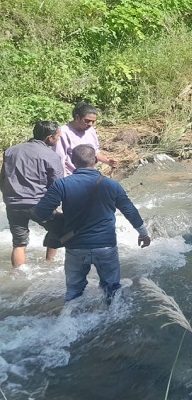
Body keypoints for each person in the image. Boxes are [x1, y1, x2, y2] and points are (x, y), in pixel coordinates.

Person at [33, 144, 151, 303]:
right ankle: (113, 323)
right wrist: (143, 233)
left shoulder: (61, 184)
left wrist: (59, 217)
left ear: (72, 161)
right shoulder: (111, 184)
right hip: (105, 246)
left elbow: (40, 212)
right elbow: (130, 211)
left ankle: (69, 323)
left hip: (75, 247)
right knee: (112, 290)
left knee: (74, 290)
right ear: (96, 160)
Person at [1, 121, 64, 267]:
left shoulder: (11, 151)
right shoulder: (50, 155)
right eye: (58, 137)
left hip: (13, 204)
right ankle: (49, 263)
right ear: (50, 138)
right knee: (60, 226)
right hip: (38, 204)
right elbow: (58, 184)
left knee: (19, 243)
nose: (58, 139)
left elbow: (3, 178)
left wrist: (10, 198)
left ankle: (19, 276)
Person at [55, 101, 116, 175]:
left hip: (90, 175)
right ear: (77, 118)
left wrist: (107, 161)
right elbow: (59, 159)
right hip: (73, 176)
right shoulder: (64, 133)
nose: (90, 124)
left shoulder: (91, 130)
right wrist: (66, 180)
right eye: (87, 121)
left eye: (93, 122)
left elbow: (95, 152)